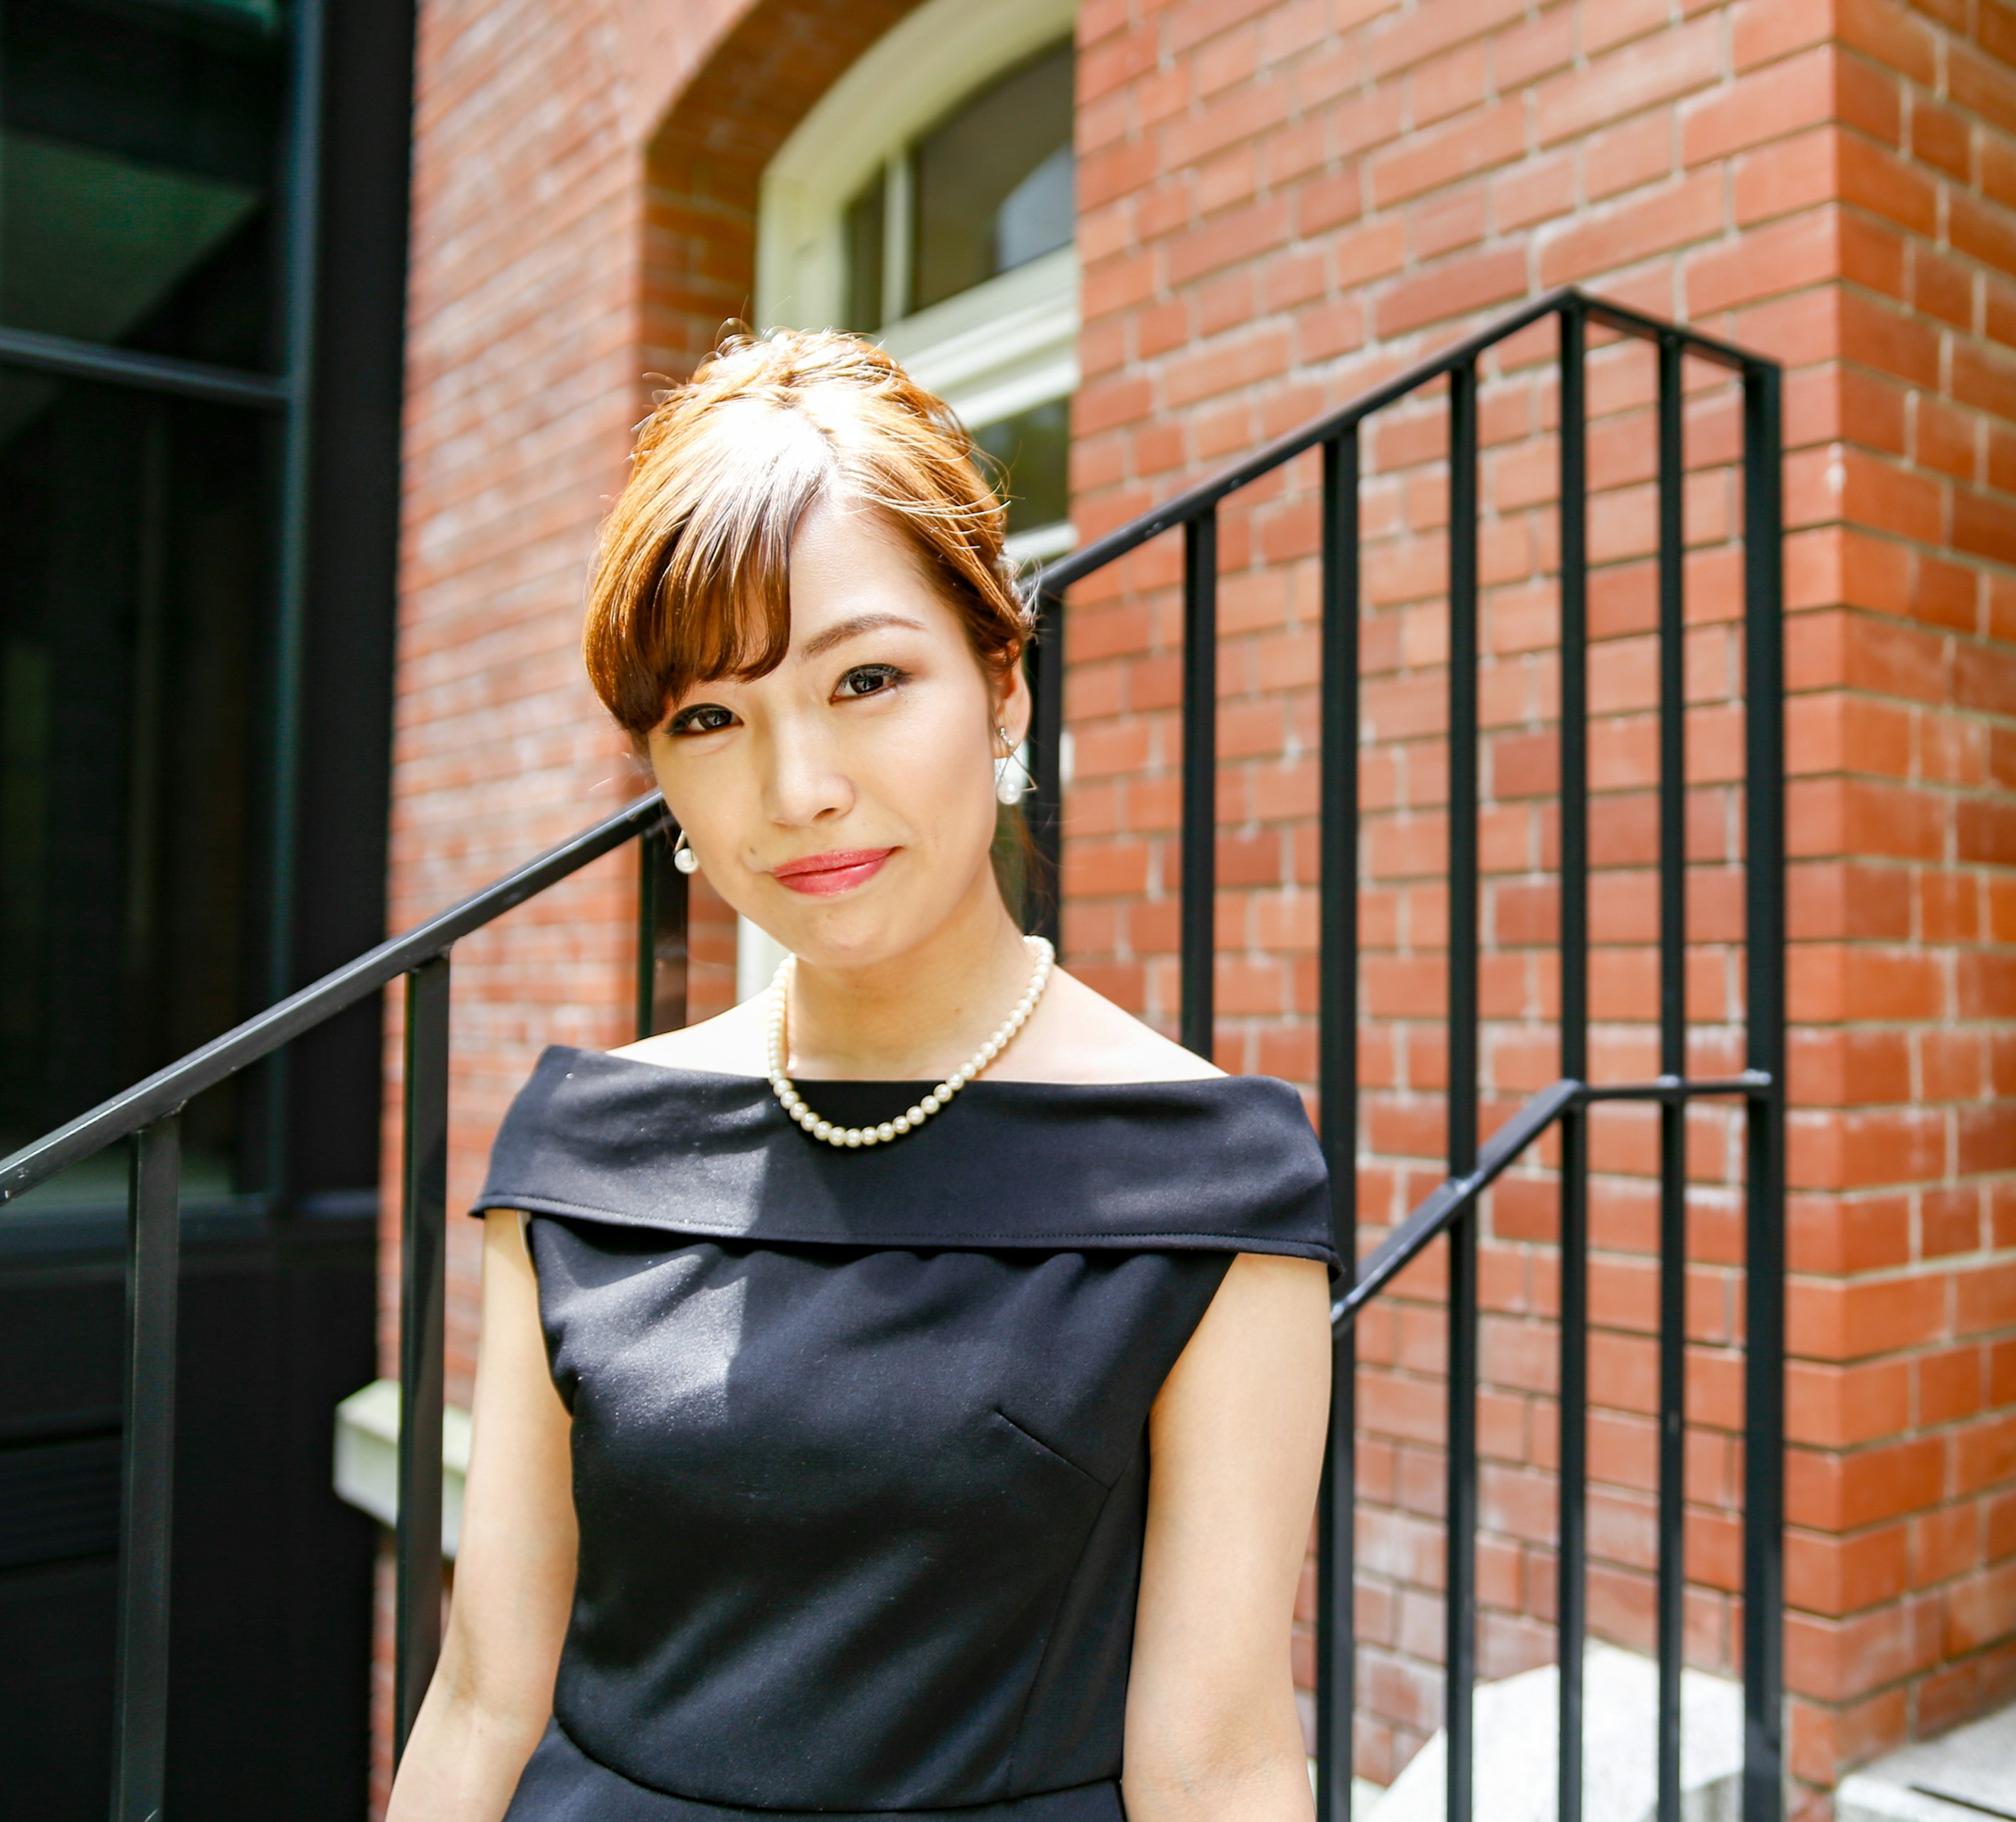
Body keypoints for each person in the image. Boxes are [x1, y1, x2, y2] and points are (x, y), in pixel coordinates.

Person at [387, 330, 1336, 1822]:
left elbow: (1215, 1762)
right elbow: (485, 1693)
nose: (797, 788)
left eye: (867, 678)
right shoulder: (581, 1151)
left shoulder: (1208, 1179)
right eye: (710, 717)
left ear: (1003, 685)